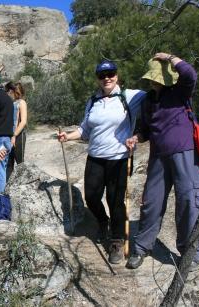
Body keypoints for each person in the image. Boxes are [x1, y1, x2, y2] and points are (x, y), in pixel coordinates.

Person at [57, 60, 146, 264]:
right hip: (95, 157)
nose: (107, 78)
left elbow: (156, 99)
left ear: (117, 75)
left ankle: (116, 241)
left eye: (111, 73)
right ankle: (102, 221)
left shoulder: (131, 96)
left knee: (116, 201)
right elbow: (84, 130)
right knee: (92, 197)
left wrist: (140, 135)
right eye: (102, 75)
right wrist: (67, 136)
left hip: (118, 159)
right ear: (97, 78)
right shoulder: (93, 101)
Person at [125, 53, 199, 269]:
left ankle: (190, 255)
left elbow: (190, 74)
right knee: (150, 203)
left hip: (186, 154)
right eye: (152, 78)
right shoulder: (148, 100)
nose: (154, 82)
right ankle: (142, 248)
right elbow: (145, 130)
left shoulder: (180, 91)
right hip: (158, 157)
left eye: (157, 78)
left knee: (188, 202)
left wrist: (171, 58)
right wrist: (137, 137)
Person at [5, 81, 28, 181]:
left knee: (20, 163)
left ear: (14, 91)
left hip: (19, 136)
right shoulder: (11, 103)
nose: (8, 93)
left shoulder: (21, 103)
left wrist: (14, 135)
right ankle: (8, 187)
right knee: (8, 164)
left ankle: (21, 185)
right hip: (9, 136)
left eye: (9, 91)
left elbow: (23, 122)